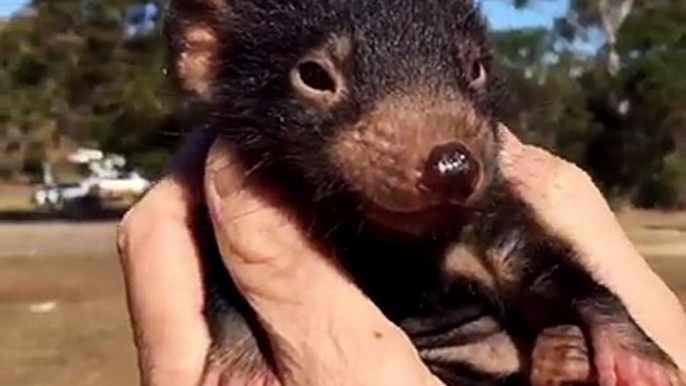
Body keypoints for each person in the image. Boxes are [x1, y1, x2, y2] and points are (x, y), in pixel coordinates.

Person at [117, 126, 686, 386]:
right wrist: (241, 351)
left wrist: (618, 332)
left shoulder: (478, 223)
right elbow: (225, 288)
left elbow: (550, 272)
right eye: (318, 78)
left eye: (469, 73)